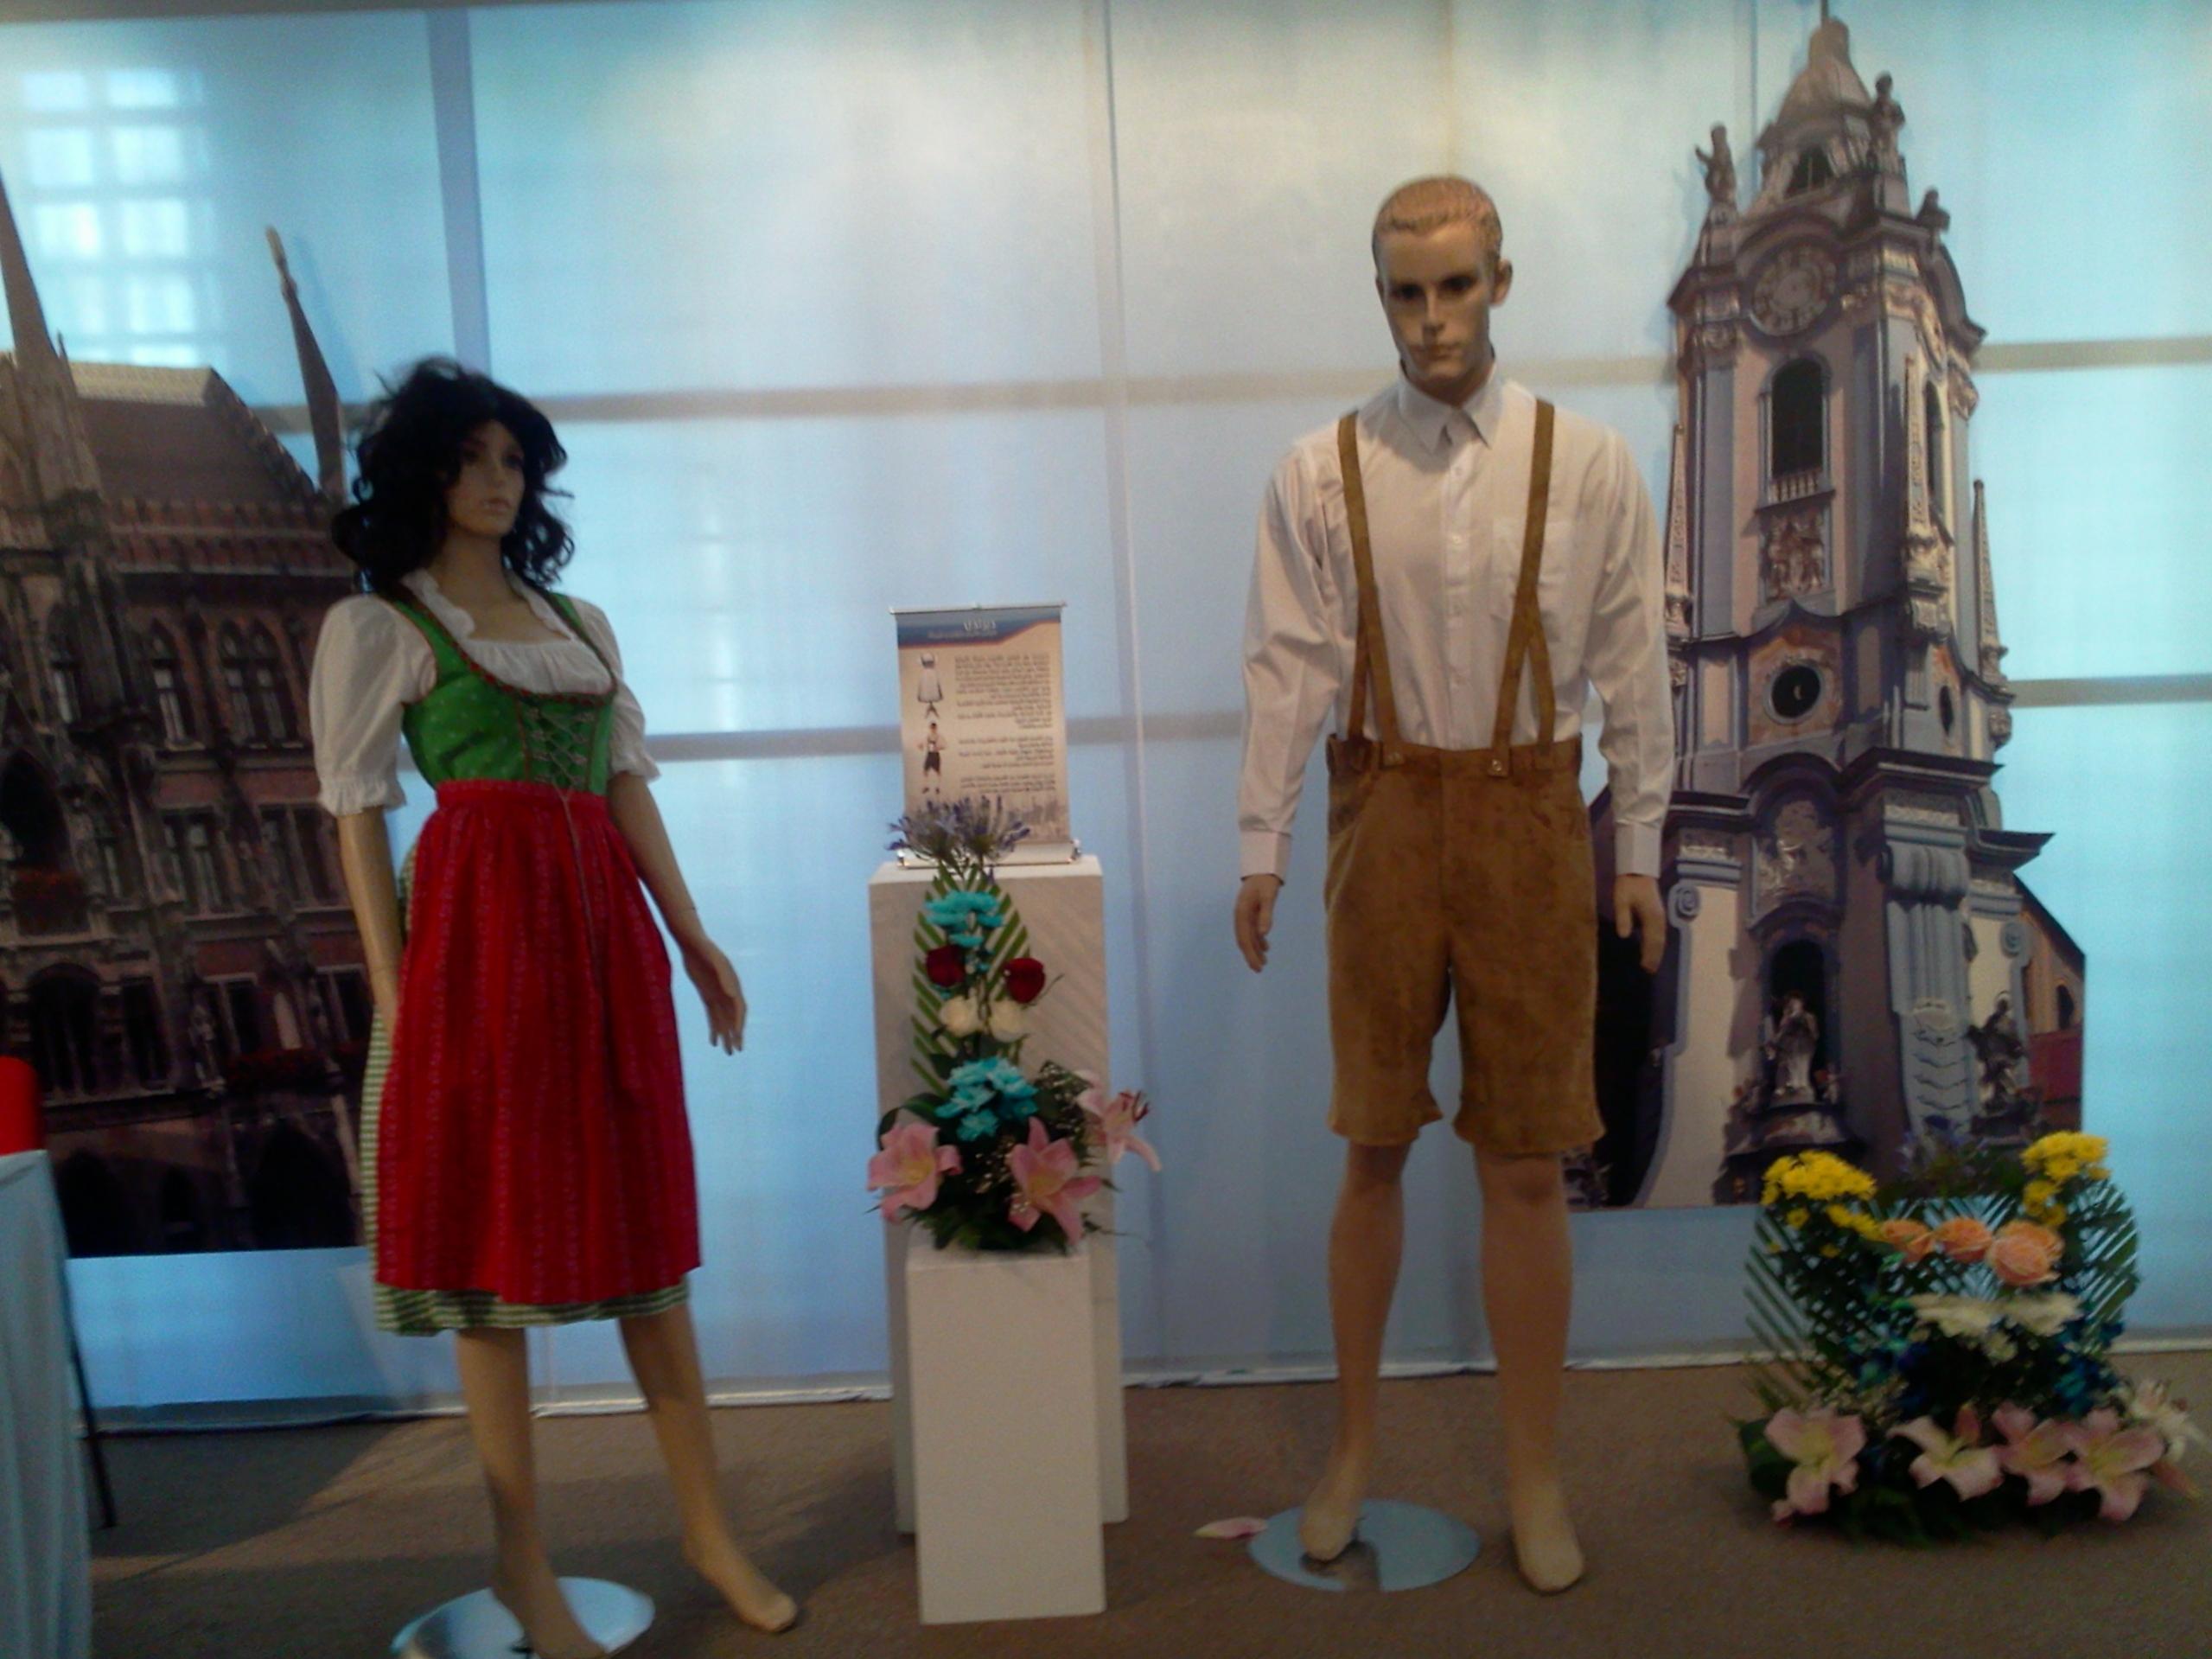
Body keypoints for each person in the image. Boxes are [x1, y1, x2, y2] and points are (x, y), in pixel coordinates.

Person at [312, 359, 796, 1656]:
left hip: (600, 938)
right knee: (488, 1249)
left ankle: (708, 1529)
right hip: (477, 940)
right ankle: (520, 1563)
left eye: (513, 461)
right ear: (422, 472)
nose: (495, 481)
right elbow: (357, 815)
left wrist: (690, 931)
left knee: (644, 1237)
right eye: (469, 458)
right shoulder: (383, 626)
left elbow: (624, 786)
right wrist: (396, 992)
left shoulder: (579, 623)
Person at [1233, 177, 1672, 1592]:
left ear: (1501, 281)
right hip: (1380, 811)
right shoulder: (1320, 469)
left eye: (1458, 286)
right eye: (1407, 292)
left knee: (1528, 1160)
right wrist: (1261, 842)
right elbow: (1288, 666)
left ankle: (1535, 1473)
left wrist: (1641, 847)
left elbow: (1635, 667)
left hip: (1531, 813)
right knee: (1371, 1145)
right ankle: (1352, 1450)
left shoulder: (1587, 462)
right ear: (1381, 296)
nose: (1433, 319)